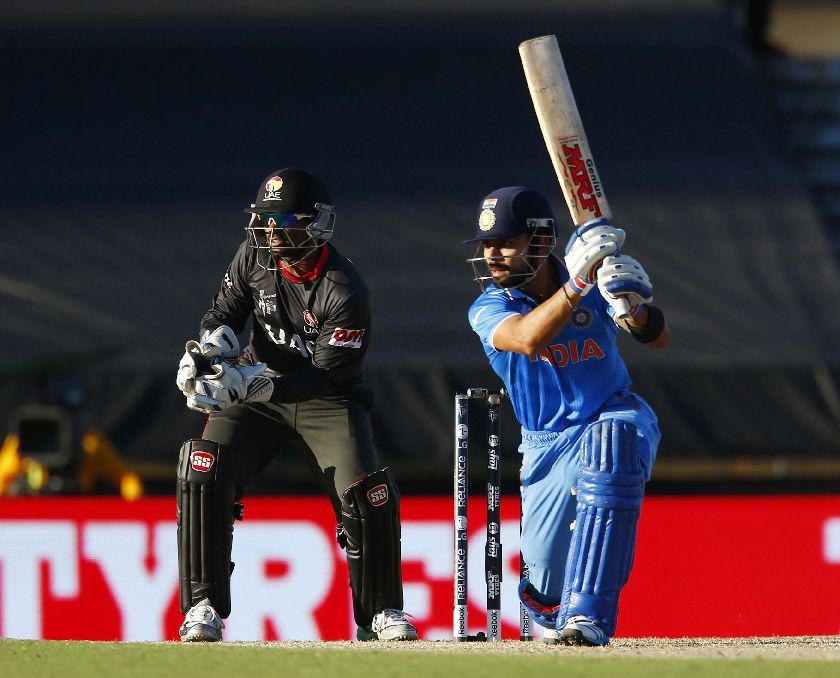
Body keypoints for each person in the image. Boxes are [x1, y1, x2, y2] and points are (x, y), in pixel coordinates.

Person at [174, 167, 417, 643]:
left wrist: (254, 386)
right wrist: (206, 351)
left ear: (315, 224)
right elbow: (222, 314)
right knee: (203, 467)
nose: (269, 232)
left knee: (366, 493)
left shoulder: (345, 289)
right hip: (256, 391)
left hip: (327, 398)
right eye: (263, 220)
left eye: (281, 220)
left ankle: (382, 611)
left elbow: (327, 374)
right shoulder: (254, 256)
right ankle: (202, 606)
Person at [464, 186, 670, 646]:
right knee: (546, 591)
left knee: (610, 446)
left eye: (505, 242)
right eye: (487, 244)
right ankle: (567, 611)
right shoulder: (489, 306)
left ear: (539, 242)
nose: (492, 255)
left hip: (613, 412)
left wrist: (634, 310)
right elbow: (527, 339)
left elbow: (658, 338)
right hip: (544, 445)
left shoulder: (594, 284)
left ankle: (591, 617)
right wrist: (576, 285)